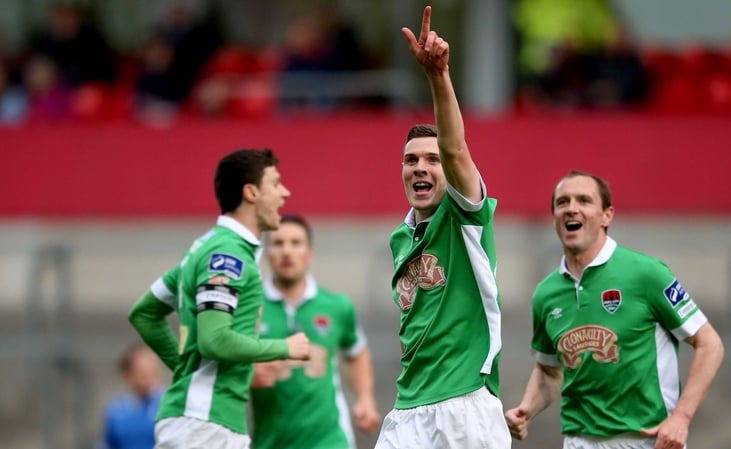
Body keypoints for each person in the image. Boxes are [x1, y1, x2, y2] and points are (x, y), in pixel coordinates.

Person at [505, 170, 725, 449]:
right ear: (554, 219)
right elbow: (550, 372)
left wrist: (681, 417)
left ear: (607, 215)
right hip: (577, 441)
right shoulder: (546, 294)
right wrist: (526, 409)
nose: (572, 208)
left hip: (644, 440)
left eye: (584, 200)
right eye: (562, 202)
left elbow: (710, 345)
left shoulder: (646, 274)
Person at [374, 6, 511, 449]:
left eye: (431, 160)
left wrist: (438, 75)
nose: (421, 167)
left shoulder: (465, 215)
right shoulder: (401, 237)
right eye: (411, 159)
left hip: (465, 405)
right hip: (408, 405)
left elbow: (455, 147)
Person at [128, 148, 311, 449]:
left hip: (206, 423)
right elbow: (214, 340)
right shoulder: (227, 254)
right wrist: (284, 347)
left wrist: (187, 369)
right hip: (203, 427)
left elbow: (145, 313)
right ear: (251, 192)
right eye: (276, 183)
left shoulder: (206, 248)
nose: (285, 193)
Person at [250, 214, 381, 449]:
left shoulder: (337, 306)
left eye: (295, 243)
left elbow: (357, 352)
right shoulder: (249, 308)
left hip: (329, 440)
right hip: (270, 441)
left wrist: (365, 398)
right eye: (278, 243)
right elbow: (224, 359)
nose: (287, 251)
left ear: (309, 254)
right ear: (267, 254)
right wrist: (247, 374)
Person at [97, 343, 166, 449]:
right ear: (127, 374)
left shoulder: (168, 404)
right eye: (142, 371)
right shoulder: (116, 411)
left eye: (151, 369)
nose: (147, 376)